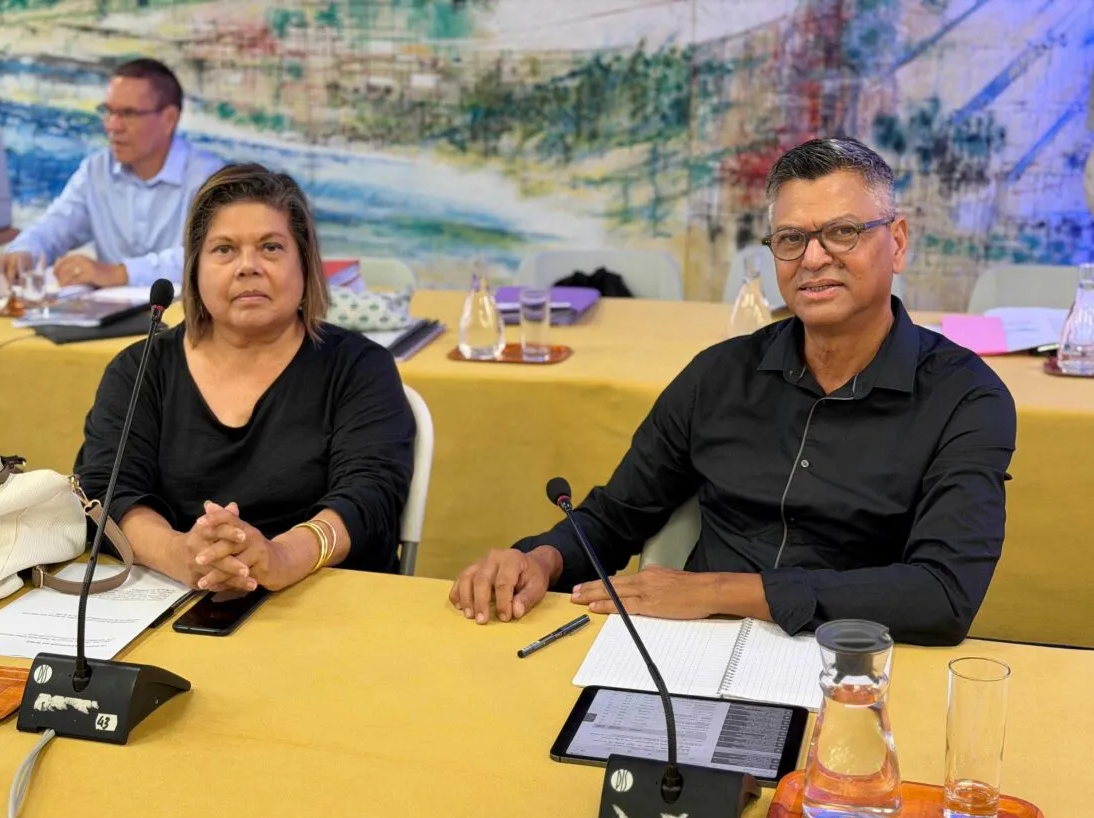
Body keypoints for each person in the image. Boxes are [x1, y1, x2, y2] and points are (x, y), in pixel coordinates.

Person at [450, 137, 1016, 646]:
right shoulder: (719, 376)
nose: (813, 258)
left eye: (842, 232)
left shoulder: (965, 399)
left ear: (897, 241)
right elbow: (616, 515)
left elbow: (943, 595)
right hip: (697, 649)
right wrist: (542, 559)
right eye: (791, 239)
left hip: (859, 660)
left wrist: (719, 591)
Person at [74, 163, 415, 591]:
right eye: (224, 249)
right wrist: (181, 554)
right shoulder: (140, 369)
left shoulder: (361, 367)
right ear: (195, 270)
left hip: (328, 599)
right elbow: (105, 491)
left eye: (271, 247)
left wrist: (282, 557)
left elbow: (371, 497)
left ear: (304, 265)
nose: (247, 266)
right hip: (175, 596)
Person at [0, 58, 224, 289]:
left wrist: (120, 273)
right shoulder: (96, 170)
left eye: (128, 113)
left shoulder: (210, 178)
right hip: (111, 309)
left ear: (169, 119)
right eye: (108, 112)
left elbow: (210, 257)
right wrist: (25, 251)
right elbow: (56, 225)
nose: (112, 126)